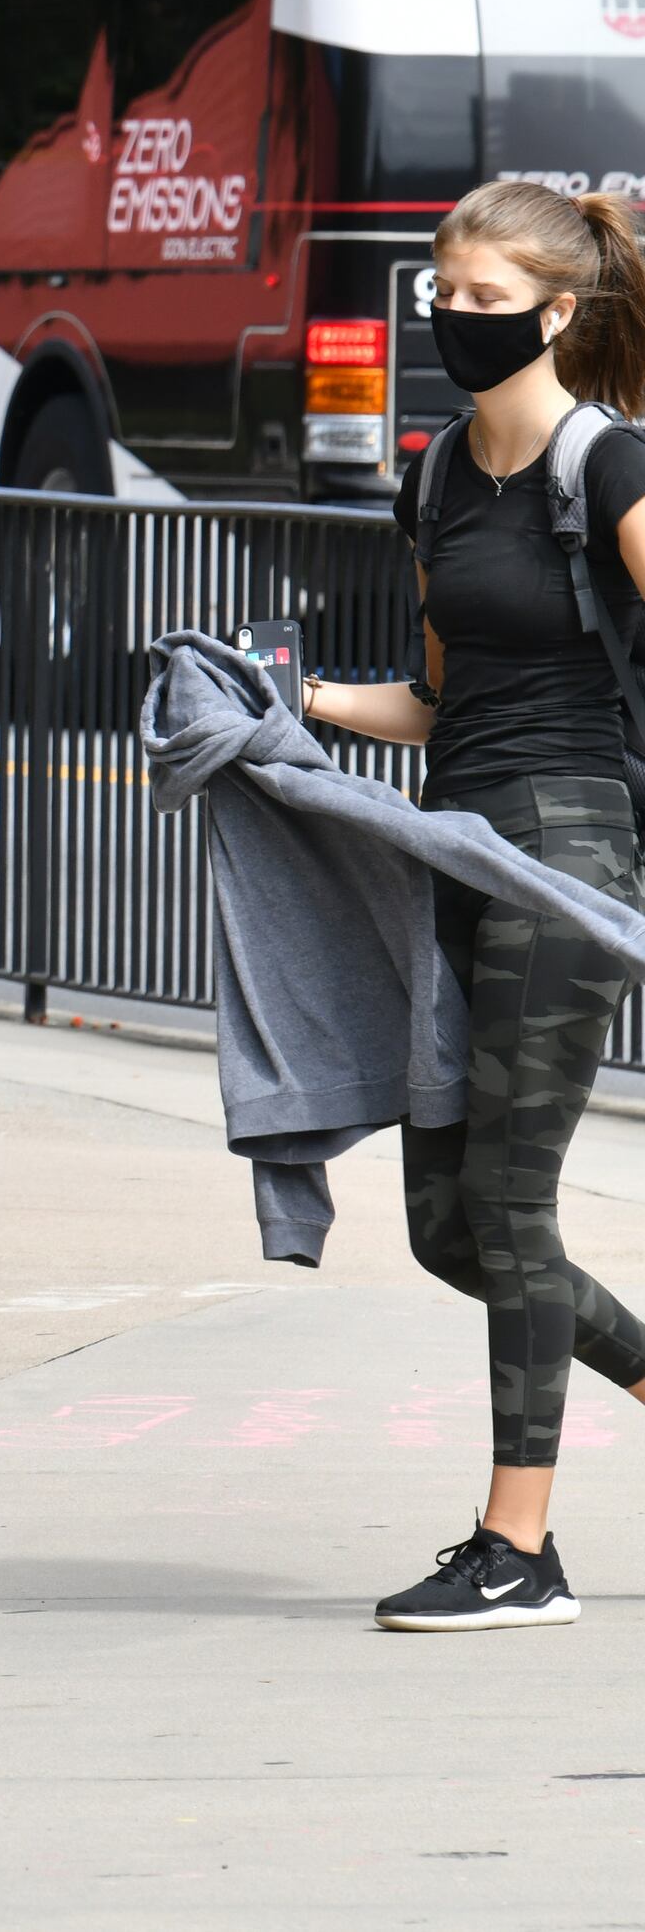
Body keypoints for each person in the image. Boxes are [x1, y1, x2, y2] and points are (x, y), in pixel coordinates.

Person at [307, 176, 645, 1633]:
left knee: (510, 1202)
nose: (456, 323)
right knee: (450, 1225)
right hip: (463, 849)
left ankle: (520, 1552)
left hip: (571, 859)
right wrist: (287, 700)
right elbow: (436, 701)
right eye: (442, 300)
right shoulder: (438, 477)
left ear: (561, 313)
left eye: (487, 306)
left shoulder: (611, 467)